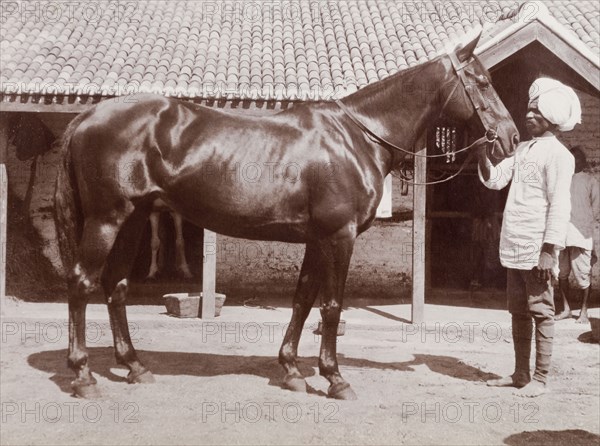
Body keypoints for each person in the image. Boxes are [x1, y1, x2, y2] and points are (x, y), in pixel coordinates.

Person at [477, 78, 581, 397]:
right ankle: (520, 373)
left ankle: (541, 378)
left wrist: (549, 250)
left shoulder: (560, 156)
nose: (529, 115)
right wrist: (483, 152)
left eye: (536, 112)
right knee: (518, 311)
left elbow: (560, 205)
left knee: (541, 311)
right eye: (529, 110)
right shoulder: (523, 151)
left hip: (538, 247)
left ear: (551, 118)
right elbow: (495, 180)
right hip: (515, 244)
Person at [555, 147, 599, 323]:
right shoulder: (561, 180)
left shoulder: (590, 181)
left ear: (583, 161)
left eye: (577, 159)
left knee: (583, 274)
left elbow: (596, 208)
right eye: (572, 159)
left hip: (581, 234)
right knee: (561, 273)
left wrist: (585, 223)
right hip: (561, 233)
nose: (574, 162)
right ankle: (566, 309)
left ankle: (584, 312)